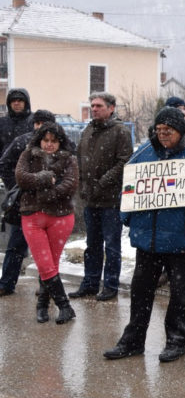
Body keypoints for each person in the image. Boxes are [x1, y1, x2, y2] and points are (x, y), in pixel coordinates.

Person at [103, 107, 185, 362]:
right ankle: (133, 340)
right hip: (147, 239)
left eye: (168, 131)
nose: (163, 135)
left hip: (181, 241)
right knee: (140, 292)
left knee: (180, 294)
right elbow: (129, 186)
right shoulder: (144, 153)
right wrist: (128, 215)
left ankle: (176, 341)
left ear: (180, 130)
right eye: (159, 131)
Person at [69, 92, 133, 301]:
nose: (94, 109)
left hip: (111, 200)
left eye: (99, 106)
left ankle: (110, 285)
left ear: (111, 108)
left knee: (112, 245)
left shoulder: (120, 132)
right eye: (92, 105)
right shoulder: (88, 130)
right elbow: (79, 158)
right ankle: (90, 282)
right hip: (90, 199)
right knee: (92, 245)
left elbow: (124, 161)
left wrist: (103, 181)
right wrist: (83, 184)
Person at [15, 122, 79, 324]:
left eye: (54, 141)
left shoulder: (69, 159)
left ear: (60, 142)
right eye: (46, 140)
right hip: (31, 216)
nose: (49, 144)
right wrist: (44, 178)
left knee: (50, 264)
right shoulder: (28, 155)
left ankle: (42, 305)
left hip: (61, 217)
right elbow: (21, 178)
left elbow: (70, 185)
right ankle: (64, 306)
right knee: (44, 263)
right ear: (39, 140)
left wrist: (46, 193)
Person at [0, 110, 56, 296]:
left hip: (50, 203)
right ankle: (7, 283)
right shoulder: (21, 142)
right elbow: (5, 164)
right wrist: (15, 186)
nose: (39, 127)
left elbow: (70, 169)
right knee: (16, 244)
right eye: (37, 123)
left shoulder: (61, 144)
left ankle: (47, 285)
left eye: (44, 123)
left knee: (47, 247)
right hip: (23, 203)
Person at [0, 88, 33, 155]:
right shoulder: (2, 122)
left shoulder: (35, 121)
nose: (16, 103)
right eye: (13, 101)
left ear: (26, 103)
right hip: (6, 162)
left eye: (20, 100)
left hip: (29, 162)